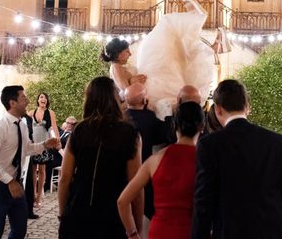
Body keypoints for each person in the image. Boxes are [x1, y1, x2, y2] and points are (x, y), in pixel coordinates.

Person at [192, 79, 282, 239]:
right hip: (273, 230)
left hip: (231, 231)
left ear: (218, 110)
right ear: (247, 107)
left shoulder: (210, 145)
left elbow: (204, 202)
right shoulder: (275, 141)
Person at [58, 76, 143, 239]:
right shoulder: (130, 134)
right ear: (116, 99)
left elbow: (65, 177)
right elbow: (136, 188)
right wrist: (136, 228)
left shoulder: (79, 131)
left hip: (78, 212)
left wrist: (63, 215)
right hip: (113, 218)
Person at [118, 101, 204, 239]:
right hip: (192, 232)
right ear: (202, 126)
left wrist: (132, 233)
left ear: (174, 125)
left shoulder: (155, 159)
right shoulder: (206, 161)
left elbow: (122, 201)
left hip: (160, 231)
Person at [0, 85, 59, 239]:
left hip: (17, 186)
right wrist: (10, 181)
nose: (28, 101)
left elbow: (27, 149)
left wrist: (44, 145)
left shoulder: (23, 125)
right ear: (12, 103)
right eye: (23, 98)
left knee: (19, 230)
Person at [136, 0, 230, 119]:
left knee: (176, 49)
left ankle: (212, 45)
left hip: (165, 93)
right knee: (181, 53)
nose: (129, 52)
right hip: (169, 95)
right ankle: (212, 44)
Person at [123, 83, 166, 227]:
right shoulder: (149, 117)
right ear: (145, 100)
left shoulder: (121, 117)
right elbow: (162, 137)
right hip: (144, 170)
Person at [28, 92, 58, 208]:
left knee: (42, 170)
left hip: (45, 144)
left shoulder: (50, 113)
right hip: (34, 145)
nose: (43, 99)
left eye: (45, 97)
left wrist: (58, 140)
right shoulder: (31, 113)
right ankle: (33, 195)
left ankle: (39, 196)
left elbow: (54, 127)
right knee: (32, 171)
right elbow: (25, 126)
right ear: (38, 100)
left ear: (47, 101)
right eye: (41, 97)